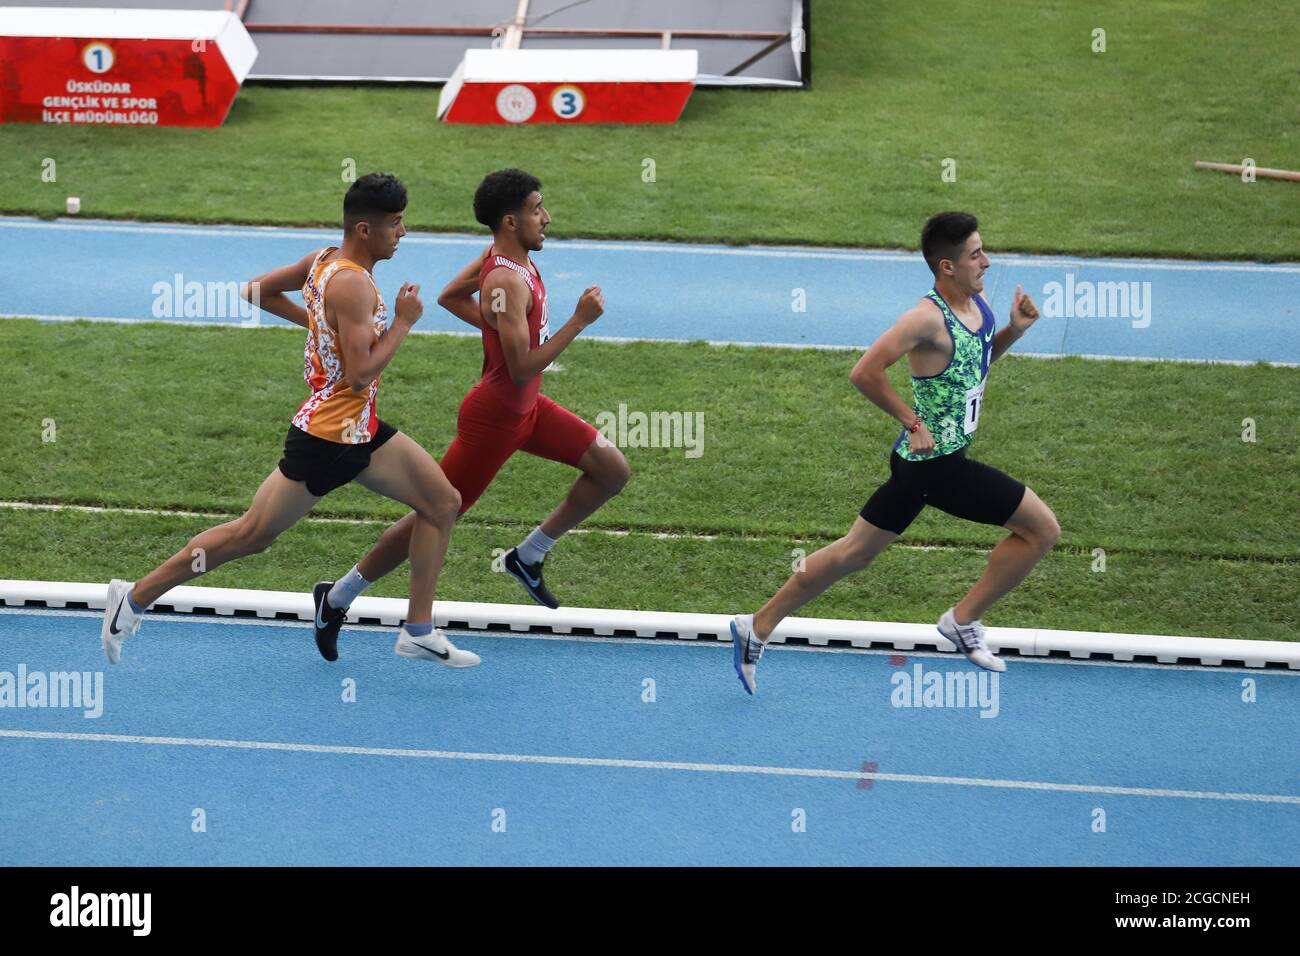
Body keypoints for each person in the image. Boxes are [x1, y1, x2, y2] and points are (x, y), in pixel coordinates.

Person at [101, 173, 478, 670]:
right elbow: (362, 374)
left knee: (443, 502)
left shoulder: (321, 261)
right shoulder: (351, 284)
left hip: (359, 429)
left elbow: (256, 291)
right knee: (250, 536)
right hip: (326, 437)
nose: (402, 233)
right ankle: (132, 599)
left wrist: (325, 327)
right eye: (395, 223)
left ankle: (418, 629)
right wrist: (405, 320)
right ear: (364, 229)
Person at [729, 211, 1060, 694]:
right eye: (975, 255)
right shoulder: (924, 319)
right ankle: (963, 619)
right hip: (937, 468)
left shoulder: (979, 303)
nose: (987, 262)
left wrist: (1013, 330)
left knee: (852, 553)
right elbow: (864, 372)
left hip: (919, 465)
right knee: (1041, 530)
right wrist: (911, 420)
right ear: (947, 267)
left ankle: (754, 626)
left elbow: (974, 365)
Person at [310, 168, 629, 661]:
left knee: (612, 469)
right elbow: (521, 367)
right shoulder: (503, 277)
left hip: (528, 410)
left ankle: (529, 556)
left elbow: (449, 297)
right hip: (497, 418)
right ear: (510, 220)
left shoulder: (503, 261)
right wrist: (578, 322)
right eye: (536, 208)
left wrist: (498, 326)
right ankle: (338, 597)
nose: (546, 217)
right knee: (438, 509)